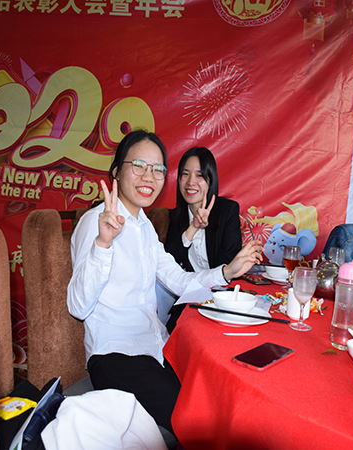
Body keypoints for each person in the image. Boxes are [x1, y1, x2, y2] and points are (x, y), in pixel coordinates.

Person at [67, 130, 263, 434]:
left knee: (223, 395)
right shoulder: (96, 222)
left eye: (157, 169)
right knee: (199, 424)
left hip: (156, 348)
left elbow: (180, 281)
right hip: (116, 356)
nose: (149, 176)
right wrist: (103, 245)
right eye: (139, 166)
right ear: (116, 171)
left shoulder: (144, 226)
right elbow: (78, 307)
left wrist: (227, 271)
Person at [163, 147, 243, 331]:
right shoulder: (174, 217)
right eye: (185, 174)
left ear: (210, 180)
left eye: (199, 175)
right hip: (189, 298)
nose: (190, 182)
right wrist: (192, 228)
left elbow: (229, 264)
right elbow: (168, 264)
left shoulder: (227, 211)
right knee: (174, 331)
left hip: (223, 298)